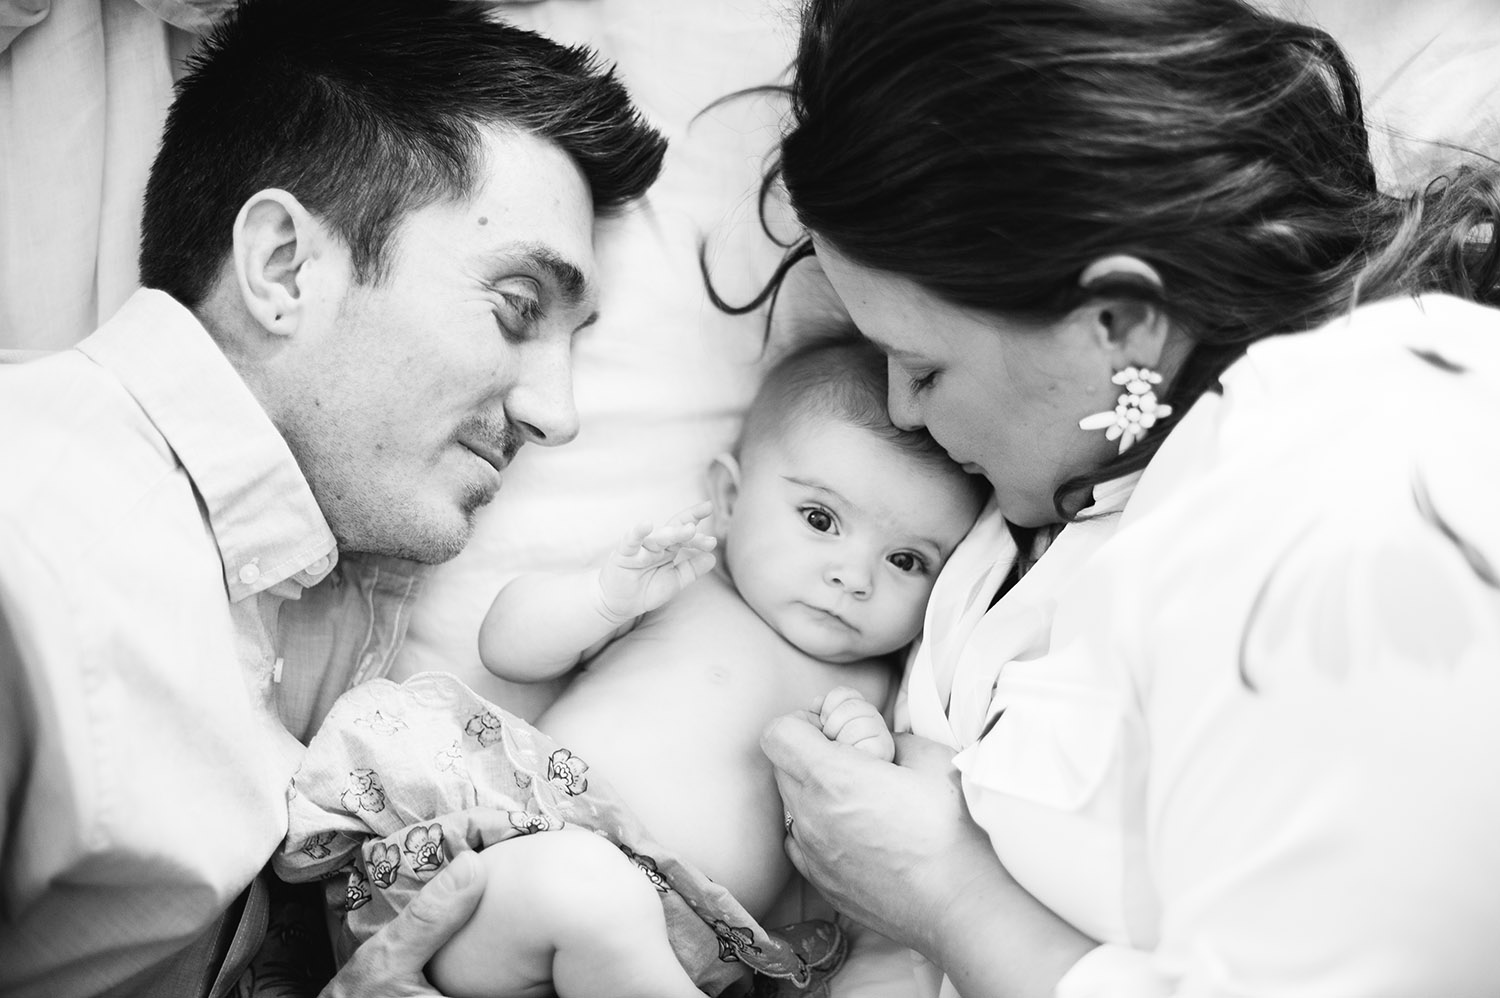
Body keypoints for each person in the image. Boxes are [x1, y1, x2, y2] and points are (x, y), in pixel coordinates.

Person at [745, 0, 1500, 996]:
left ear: (1121, 324)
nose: (902, 412)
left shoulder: (1377, 483)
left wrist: (946, 896)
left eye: (923, 367)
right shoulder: (1100, 463)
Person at [0, 0, 667, 994]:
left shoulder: (312, 579)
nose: (558, 413)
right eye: (518, 306)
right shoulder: (35, 556)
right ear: (282, 265)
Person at [274, 336, 991, 997]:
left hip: (679, 961)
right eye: (820, 520)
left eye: (906, 561)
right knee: (586, 889)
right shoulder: (684, 585)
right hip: (503, 886)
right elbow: (507, 649)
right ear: (731, 497)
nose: (853, 576)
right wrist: (602, 598)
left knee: (606, 910)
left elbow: (864, 882)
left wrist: (864, 767)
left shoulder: (884, 694)